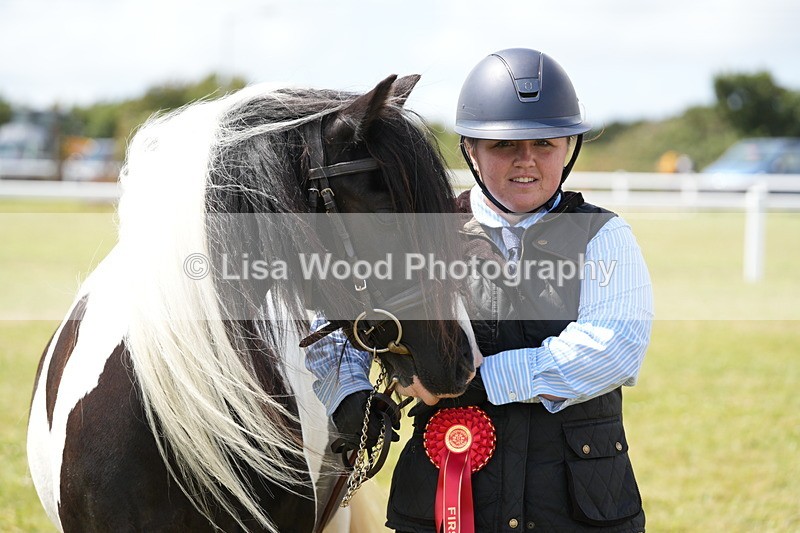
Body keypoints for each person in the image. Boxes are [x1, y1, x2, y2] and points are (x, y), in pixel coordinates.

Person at [305, 48, 653, 532]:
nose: (526, 161)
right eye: (504, 146)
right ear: (471, 149)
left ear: (569, 147)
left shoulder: (605, 236)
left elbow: (614, 347)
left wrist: (475, 379)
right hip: (441, 501)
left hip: (577, 505)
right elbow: (339, 327)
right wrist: (352, 393)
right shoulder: (420, 233)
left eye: (546, 145)